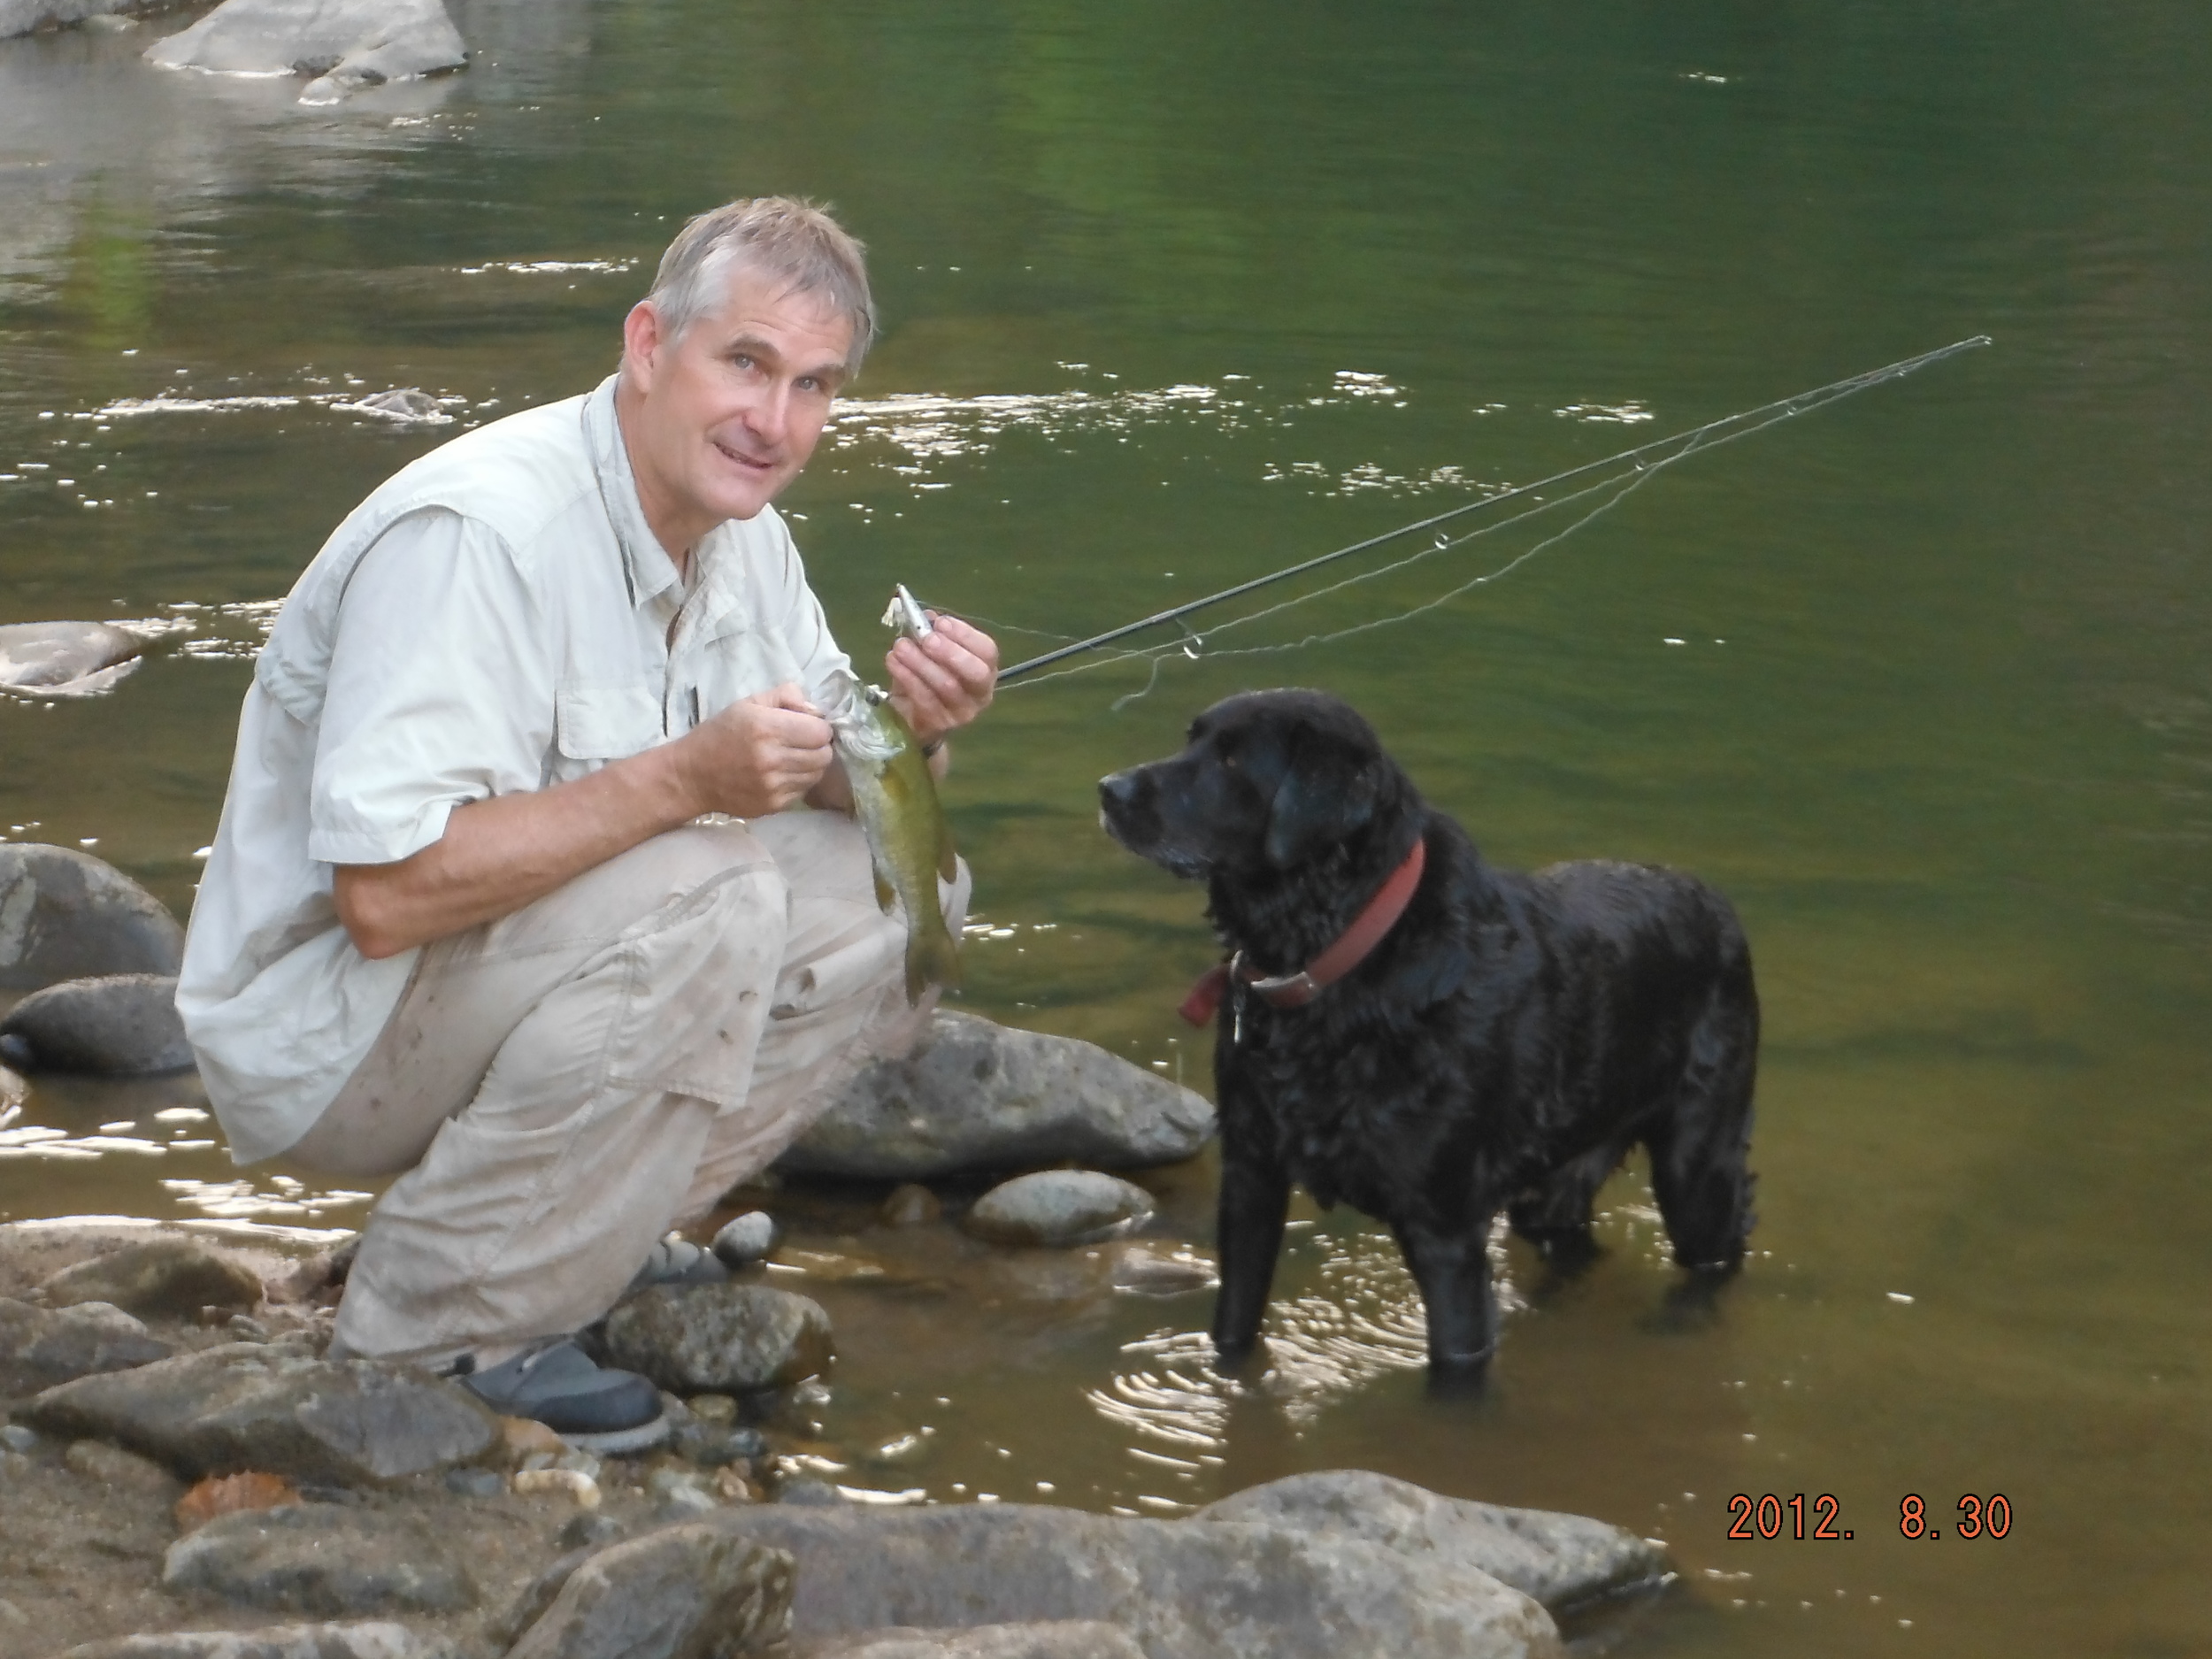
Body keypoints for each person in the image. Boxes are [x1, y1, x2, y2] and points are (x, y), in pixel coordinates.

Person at [176, 197, 999, 1450]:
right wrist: (687, 780)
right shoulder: (479, 534)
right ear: (646, 345)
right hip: (325, 1027)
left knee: (897, 896)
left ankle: (575, 1249)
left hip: (475, 995)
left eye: (814, 387)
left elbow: (834, 779)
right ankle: (438, 1331)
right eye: (746, 363)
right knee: (719, 889)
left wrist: (917, 736)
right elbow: (383, 899)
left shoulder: (750, 541)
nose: (774, 423)